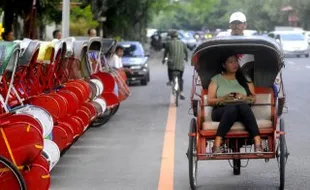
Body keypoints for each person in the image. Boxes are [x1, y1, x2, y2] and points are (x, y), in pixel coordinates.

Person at [207, 52, 263, 153]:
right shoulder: (216, 79)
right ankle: (217, 144)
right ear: (224, 65)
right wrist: (224, 99)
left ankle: (258, 144)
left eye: (236, 61)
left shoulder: (245, 79)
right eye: (230, 62)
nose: (234, 64)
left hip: (242, 112)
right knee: (231, 108)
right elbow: (210, 100)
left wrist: (243, 97)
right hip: (221, 111)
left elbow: (253, 99)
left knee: (243, 106)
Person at [162, 31, 188, 100]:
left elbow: (165, 53)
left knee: (169, 67)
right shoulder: (182, 43)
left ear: (171, 36)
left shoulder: (168, 43)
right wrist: (187, 58)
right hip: (180, 65)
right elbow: (186, 52)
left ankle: (170, 80)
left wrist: (163, 60)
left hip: (172, 65)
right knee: (180, 78)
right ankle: (182, 92)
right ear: (177, 36)